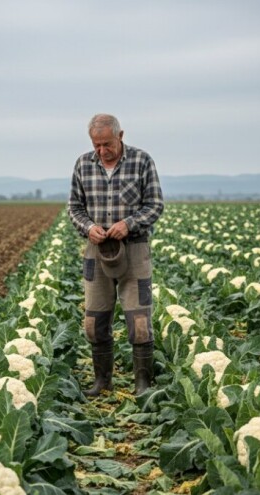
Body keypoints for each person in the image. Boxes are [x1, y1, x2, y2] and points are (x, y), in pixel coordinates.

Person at [67, 114, 164, 396]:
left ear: (120, 136)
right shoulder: (83, 164)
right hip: (96, 252)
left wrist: (128, 224)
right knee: (93, 323)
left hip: (134, 250)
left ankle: (143, 384)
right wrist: (89, 227)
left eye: (107, 144)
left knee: (140, 323)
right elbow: (74, 207)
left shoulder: (141, 161)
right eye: (96, 145)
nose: (101, 150)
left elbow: (155, 205)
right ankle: (102, 382)